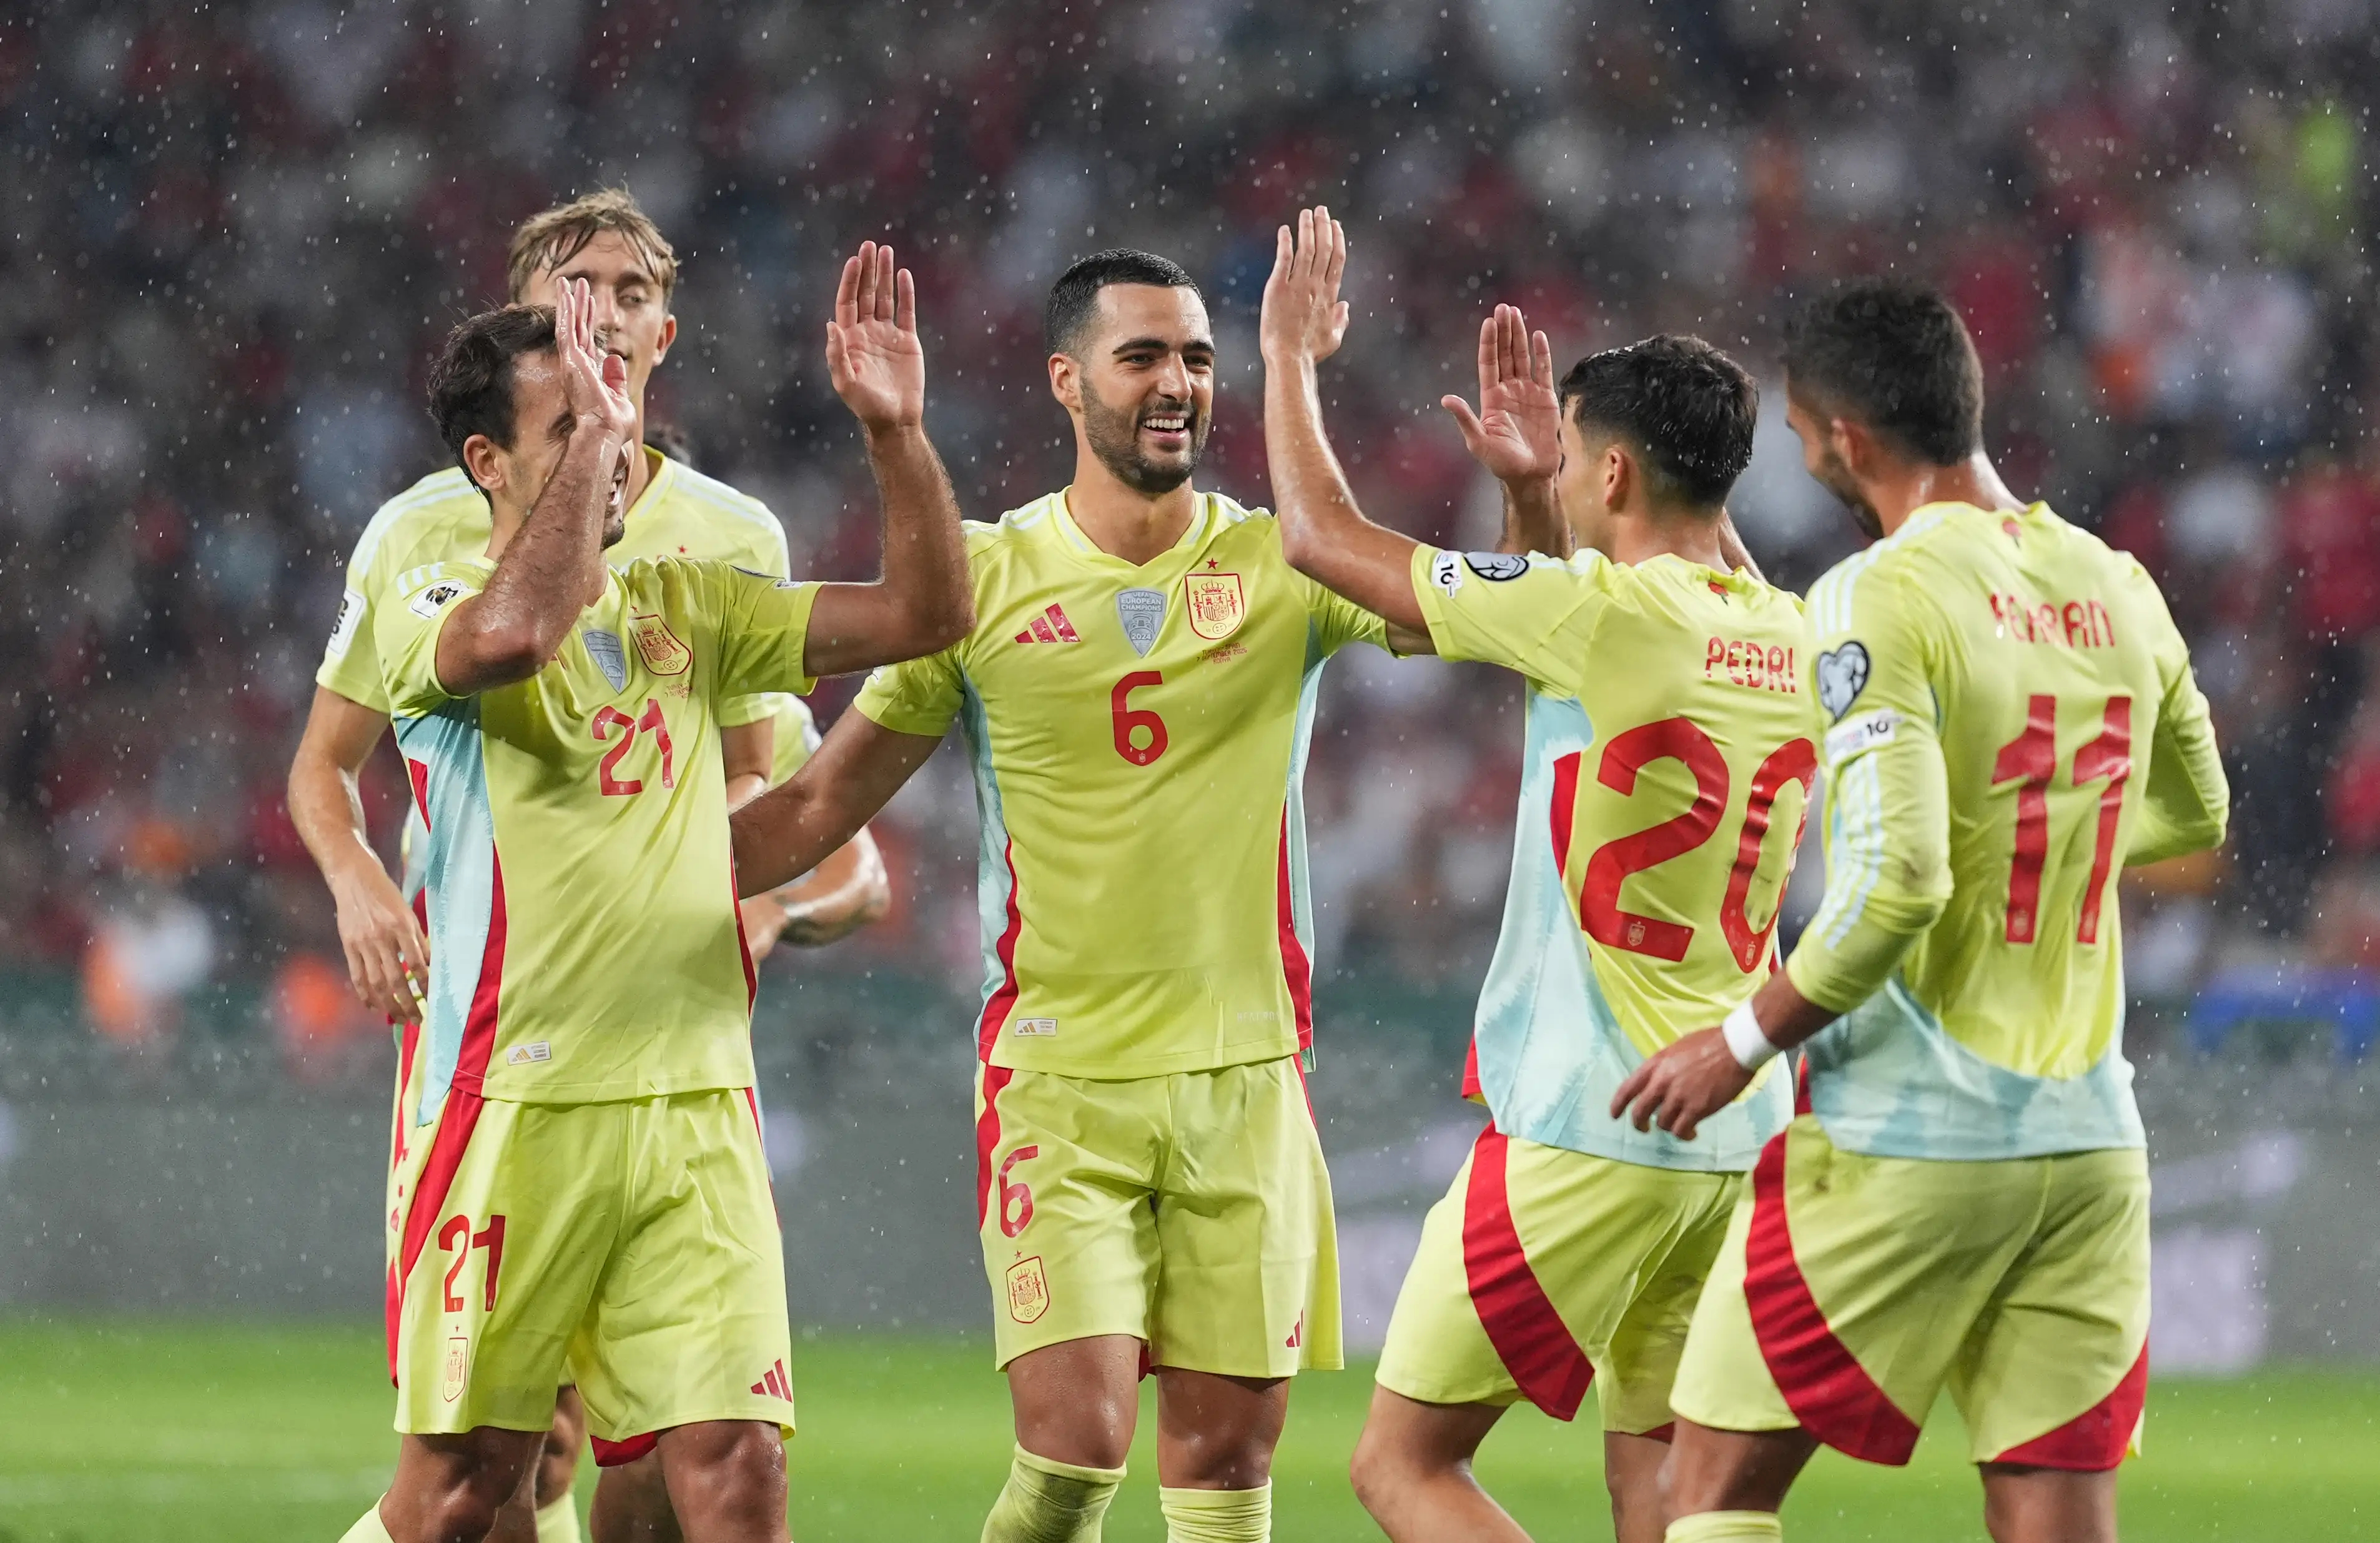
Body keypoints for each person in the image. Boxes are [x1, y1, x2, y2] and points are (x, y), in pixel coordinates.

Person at [729, 248, 1396, 1543]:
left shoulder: (1288, 564)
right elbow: (814, 808)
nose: (1178, 384)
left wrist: (1528, 500)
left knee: (1222, 1479)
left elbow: (1484, 618)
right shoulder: (982, 580)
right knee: (1076, 1455)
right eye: (1143, 355)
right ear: (1065, 380)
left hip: (1246, 1077)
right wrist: (625, 888)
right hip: (1060, 1080)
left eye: (1200, 358)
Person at [335, 252, 969, 1543]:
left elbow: (924, 608)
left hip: (694, 1102)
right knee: (469, 1494)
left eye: (618, 415)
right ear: (487, 463)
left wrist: (897, 436)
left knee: (738, 1475)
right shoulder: (434, 592)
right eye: (570, 425)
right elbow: (511, 640)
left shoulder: (695, 595)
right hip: (516, 1104)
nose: (614, 442)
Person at [1610, 279, 2231, 1543]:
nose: (1800, 453)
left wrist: (1738, 1045)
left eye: (1801, 432)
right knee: (2056, 1517)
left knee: (1704, 1495)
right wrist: (2036, 846)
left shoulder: (1877, 593)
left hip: (1917, 1135)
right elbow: (2197, 816)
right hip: (2091, 1147)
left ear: (1847, 436)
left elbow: (1899, 882)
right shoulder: (2117, 581)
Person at [1257, 208, 1806, 1543]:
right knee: (1667, 1492)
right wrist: (1529, 490)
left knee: (1402, 1464)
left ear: (1612, 471)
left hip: (1587, 1114)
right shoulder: (1789, 633)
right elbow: (1595, 666)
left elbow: (1323, 538)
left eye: (1578, 462)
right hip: (1740, 1126)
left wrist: (1285, 358)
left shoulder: (1603, 615)